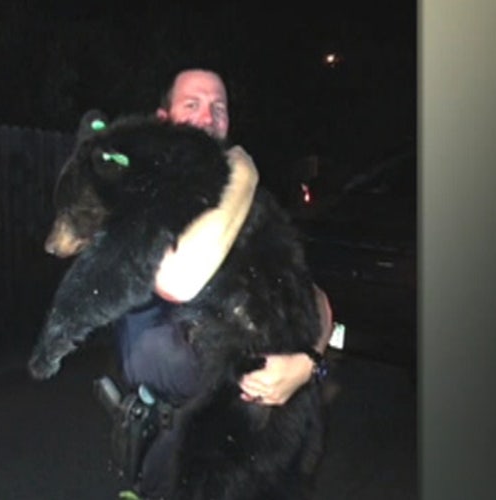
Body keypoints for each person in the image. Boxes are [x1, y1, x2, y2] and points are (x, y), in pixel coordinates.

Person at [111, 68, 334, 498]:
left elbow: (317, 298)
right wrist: (243, 174)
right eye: (191, 104)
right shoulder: (135, 195)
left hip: (270, 452)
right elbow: (177, 282)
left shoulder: (255, 205)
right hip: (184, 451)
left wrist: (309, 360)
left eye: (219, 108)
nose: (207, 116)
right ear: (163, 120)